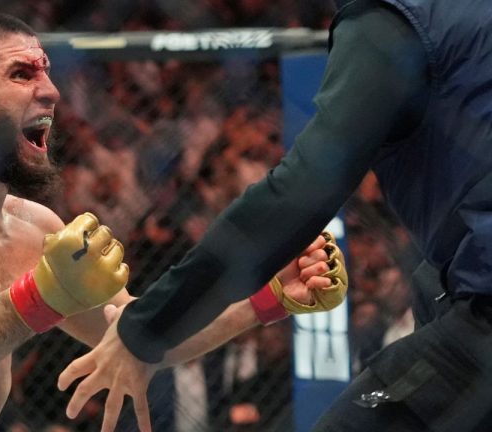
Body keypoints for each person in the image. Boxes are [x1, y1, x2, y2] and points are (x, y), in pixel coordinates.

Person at [0, 12, 340, 432]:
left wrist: (262, 301)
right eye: (22, 74)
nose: (51, 91)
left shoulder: (33, 227)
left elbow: (138, 334)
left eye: (47, 71)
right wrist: (43, 296)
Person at [58, 1, 492, 431]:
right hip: (471, 291)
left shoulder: (393, 20)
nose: (47, 90)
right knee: (430, 287)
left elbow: (303, 189)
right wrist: (260, 303)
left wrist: (144, 331)